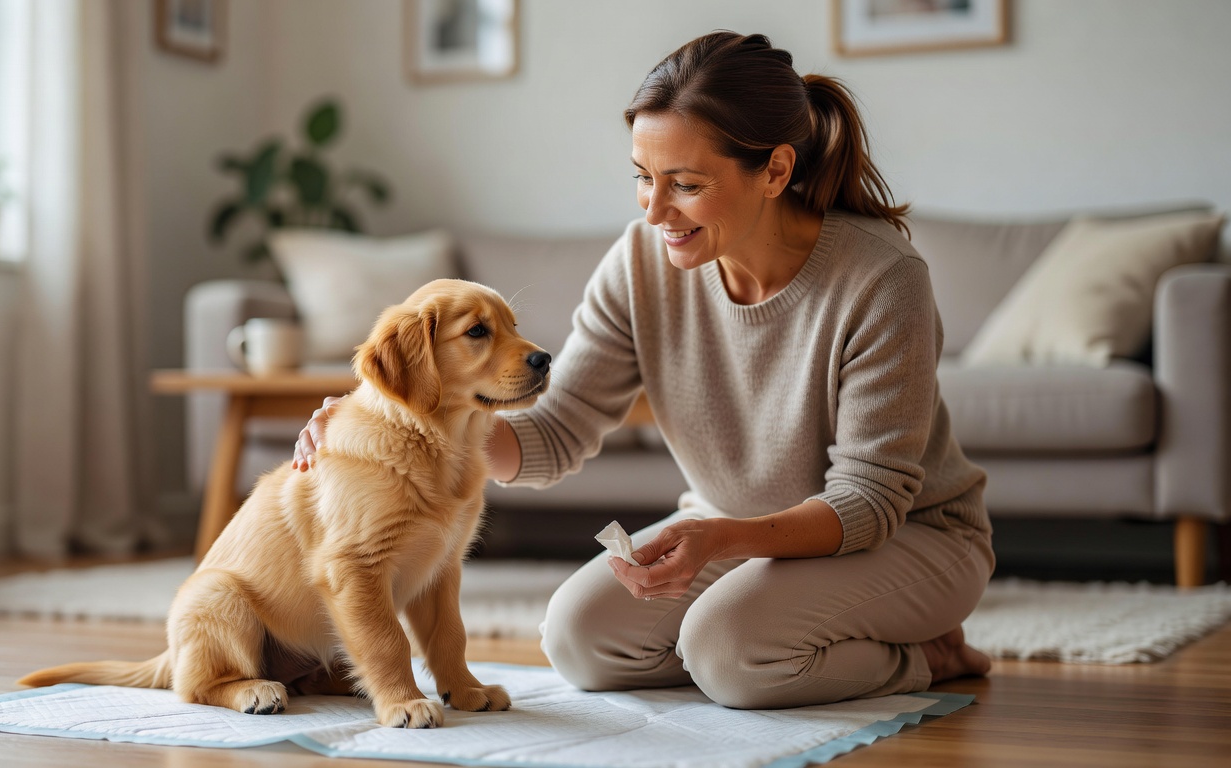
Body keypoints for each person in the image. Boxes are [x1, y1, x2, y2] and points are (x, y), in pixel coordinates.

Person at [292, 30, 994, 710]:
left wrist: (723, 540)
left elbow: (870, 501)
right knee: (579, 642)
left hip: (911, 539)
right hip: (733, 528)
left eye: (685, 184)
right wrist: (382, 420)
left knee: (729, 655)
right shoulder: (640, 261)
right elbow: (558, 427)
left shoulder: (881, 279)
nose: (656, 212)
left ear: (776, 171)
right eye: (643, 178)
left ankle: (927, 655)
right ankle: (775, 643)